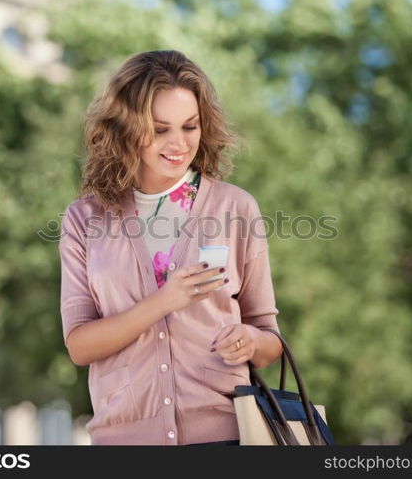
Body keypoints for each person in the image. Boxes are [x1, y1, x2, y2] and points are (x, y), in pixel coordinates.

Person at [59, 49, 283, 445]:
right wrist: (165, 300)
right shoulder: (85, 219)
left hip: (224, 439)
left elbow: (269, 338)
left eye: (190, 127)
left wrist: (250, 341)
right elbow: (79, 344)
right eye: (160, 129)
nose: (178, 144)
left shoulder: (235, 207)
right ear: (126, 128)